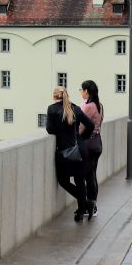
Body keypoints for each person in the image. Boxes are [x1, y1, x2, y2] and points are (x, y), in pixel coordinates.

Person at [46, 86, 94, 222]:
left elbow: (49, 129)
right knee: (80, 181)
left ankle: (86, 204)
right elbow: (90, 125)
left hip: (65, 151)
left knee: (63, 181)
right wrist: (82, 139)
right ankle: (81, 210)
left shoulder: (52, 109)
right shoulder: (76, 108)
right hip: (80, 149)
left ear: (55, 96)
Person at [79, 80, 104, 216]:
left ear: (86, 91)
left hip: (88, 145)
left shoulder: (89, 107)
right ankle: (93, 206)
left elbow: (81, 126)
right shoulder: (99, 105)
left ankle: (90, 207)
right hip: (97, 142)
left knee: (87, 176)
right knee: (92, 174)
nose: (81, 92)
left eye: (81, 90)